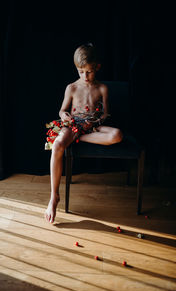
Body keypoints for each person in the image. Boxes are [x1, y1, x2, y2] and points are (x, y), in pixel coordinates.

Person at [45, 43, 123, 223]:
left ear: (97, 67)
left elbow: (105, 113)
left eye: (89, 71)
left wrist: (97, 120)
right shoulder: (71, 88)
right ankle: (53, 196)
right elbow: (62, 110)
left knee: (117, 135)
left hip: (93, 125)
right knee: (57, 144)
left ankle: (80, 138)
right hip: (74, 124)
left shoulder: (103, 88)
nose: (85, 76)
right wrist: (64, 115)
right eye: (81, 71)